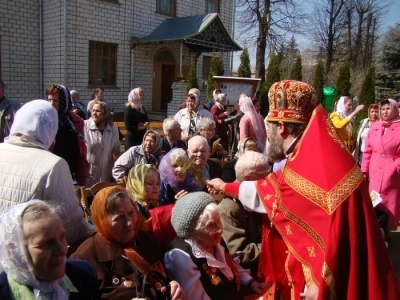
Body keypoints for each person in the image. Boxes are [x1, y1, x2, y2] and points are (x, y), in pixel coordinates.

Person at [207, 80, 399, 299]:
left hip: (330, 273)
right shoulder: (313, 153)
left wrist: (318, 282)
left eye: (269, 126)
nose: (267, 133)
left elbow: (328, 229)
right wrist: (226, 187)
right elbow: (277, 191)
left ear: (281, 127)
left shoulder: (311, 161)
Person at [0, 100, 94, 245]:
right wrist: (96, 233)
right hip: (29, 259)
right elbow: (72, 227)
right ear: (51, 128)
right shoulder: (54, 165)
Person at [70, 186, 185, 300]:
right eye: (119, 218)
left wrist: (172, 285)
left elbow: (162, 274)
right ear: (103, 221)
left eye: (131, 213)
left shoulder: (144, 239)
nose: (129, 223)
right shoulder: (86, 258)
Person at [164, 192, 268, 299]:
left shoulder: (213, 239)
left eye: (218, 220)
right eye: (211, 225)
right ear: (193, 231)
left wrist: (251, 283)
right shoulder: (181, 257)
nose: (219, 229)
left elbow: (231, 265)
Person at [0, 201, 97, 299]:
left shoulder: (84, 275)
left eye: (62, 237)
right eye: (47, 243)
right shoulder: (4, 292)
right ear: (16, 252)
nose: (62, 250)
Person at [219, 151, 269, 277]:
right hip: (249, 276)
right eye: (265, 175)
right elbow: (239, 253)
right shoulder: (229, 207)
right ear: (247, 178)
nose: (269, 179)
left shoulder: (254, 197)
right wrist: (273, 245)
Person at [361, 99, 400, 230]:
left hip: (391, 171)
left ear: (394, 110)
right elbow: (367, 150)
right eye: (382, 109)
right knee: (374, 199)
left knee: (388, 201)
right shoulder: (375, 126)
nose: (385, 111)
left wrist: (396, 166)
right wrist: (365, 170)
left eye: (388, 108)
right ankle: (375, 229)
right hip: (374, 167)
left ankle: (386, 229)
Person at [47, 84, 89, 186]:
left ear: (63, 102)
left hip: (71, 169)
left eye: (55, 100)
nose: (51, 103)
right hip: (50, 170)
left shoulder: (75, 121)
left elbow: (80, 149)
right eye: (49, 100)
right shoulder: (46, 120)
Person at [84, 100, 120, 186]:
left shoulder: (113, 129)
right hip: (89, 174)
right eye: (93, 110)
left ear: (105, 114)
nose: (94, 113)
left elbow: (116, 152)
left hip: (106, 175)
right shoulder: (85, 126)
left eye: (98, 111)